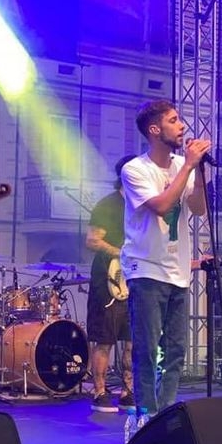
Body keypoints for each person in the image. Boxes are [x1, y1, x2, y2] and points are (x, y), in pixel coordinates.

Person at [120, 99, 210, 416]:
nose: (182, 125)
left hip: (177, 270)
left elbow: (198, 208)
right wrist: (187, 167)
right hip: (146, 269)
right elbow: (160, 206)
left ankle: (166, 414)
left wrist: (198, 172)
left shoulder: (183, 164)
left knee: (175, 350)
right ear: (155, 130)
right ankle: (146, 416)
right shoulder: (135, 169)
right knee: (147, 349)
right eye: (173, 120)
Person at [85, 155, 136, 413]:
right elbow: (92, 240)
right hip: (108, 278)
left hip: (134, 278)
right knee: (105, 338)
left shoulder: (141, 205)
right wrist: (120, 253)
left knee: (132, 339)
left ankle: (128, 390)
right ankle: (100, 391)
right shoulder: (108, 204)